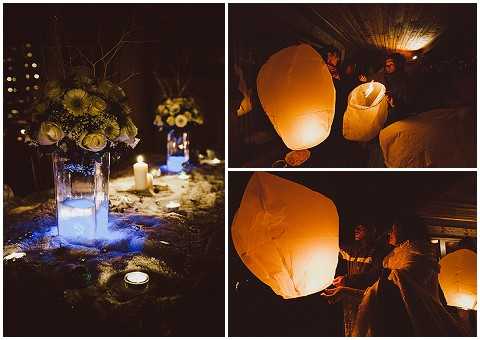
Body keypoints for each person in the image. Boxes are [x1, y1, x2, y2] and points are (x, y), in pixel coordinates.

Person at [323, 216, 466, 336]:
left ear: (405, 230)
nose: (389, 232)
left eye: (393, 228)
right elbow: (381, 293)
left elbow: (388, 292)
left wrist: (348, 284)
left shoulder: (416, 258)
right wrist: (345, 290)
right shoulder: (393, 258)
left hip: (412, 326)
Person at [332, 223, 384, 336]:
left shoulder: (378, 253)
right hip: (350, 300)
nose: (356, 229)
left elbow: (374, 276)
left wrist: (347, 280)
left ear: (372, 230)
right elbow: (331, 247)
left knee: (367, 331)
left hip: (367, 299)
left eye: (361, 227)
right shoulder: (352, 250)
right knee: (351, 329)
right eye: (356, 227)